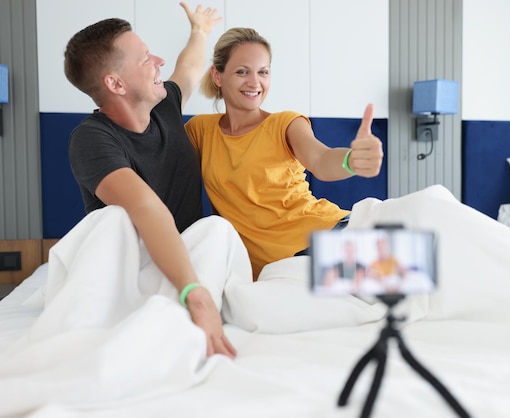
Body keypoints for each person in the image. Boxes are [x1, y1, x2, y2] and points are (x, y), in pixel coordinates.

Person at [64, 3, 244, 358]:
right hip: (136, 267)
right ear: (115, 83)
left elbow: (190, 67)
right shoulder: (91, 140)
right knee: (114, 217)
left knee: (217, 230)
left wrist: (200, 31)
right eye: (145, 58)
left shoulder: (165, 107)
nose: (158, 61)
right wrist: (196, 293)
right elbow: (146, 207)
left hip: (184, 256)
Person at [184, 27, 384, 280]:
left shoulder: (286, 123)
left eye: (263, 72)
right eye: (242, 71)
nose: (254, 82)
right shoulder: (200, 130)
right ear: (217, 76)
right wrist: (198, 34)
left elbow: (321, 160)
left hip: (329, 235)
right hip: (279, 271)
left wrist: (350, 161)